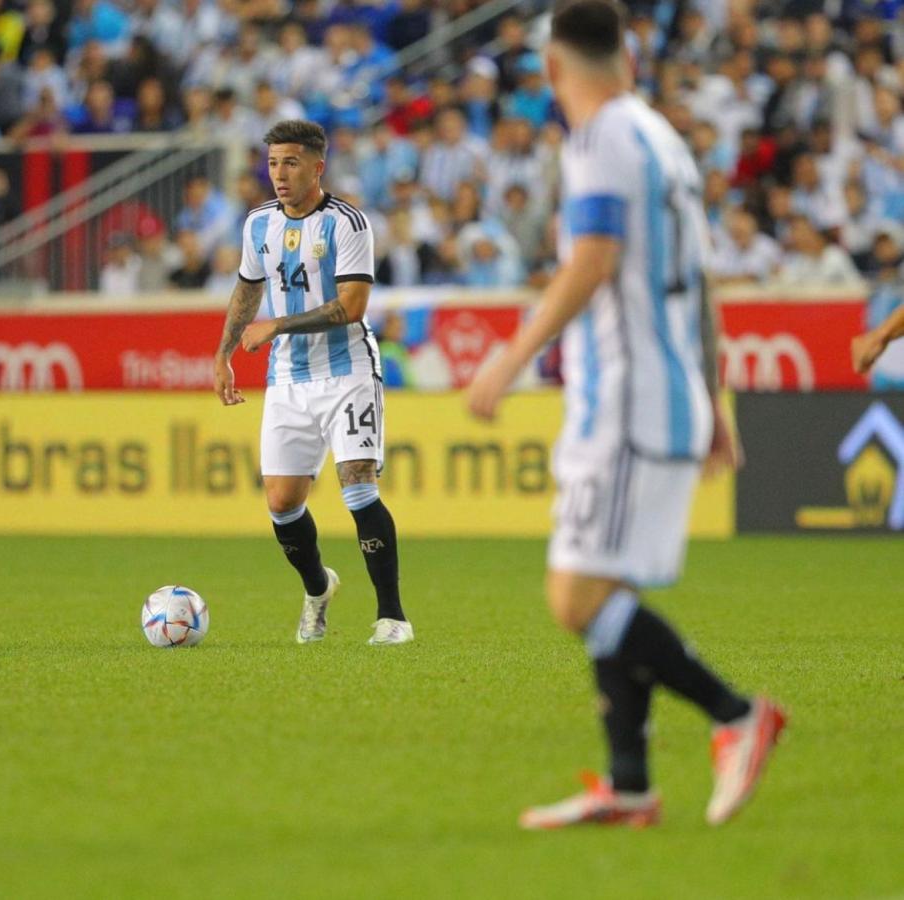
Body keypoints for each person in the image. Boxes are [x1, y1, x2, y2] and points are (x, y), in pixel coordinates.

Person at [467, 0, 785, 830]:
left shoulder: (600, 138)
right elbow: (701, 284)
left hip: (628, 404)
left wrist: (509, 354)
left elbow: (594, 260)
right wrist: (714, 400)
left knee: (576, 597)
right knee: (605, 590)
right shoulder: (663, 139)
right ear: (630, 59)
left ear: (549, 73)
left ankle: (736, 715)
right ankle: (631, 783)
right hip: (666, 395)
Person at [213, 119, 412, 647]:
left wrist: (276, 325)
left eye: (291, 162)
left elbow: (352, 306)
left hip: (347, 371)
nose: (279, 173)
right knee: (280, 502)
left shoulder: (348, 223)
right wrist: (225, 351)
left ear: (317, 166)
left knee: (358, 484)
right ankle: (319, 588)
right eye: (273, 162)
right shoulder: (258, 224)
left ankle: (392, 617)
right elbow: (248, 288)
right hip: (288, 379)